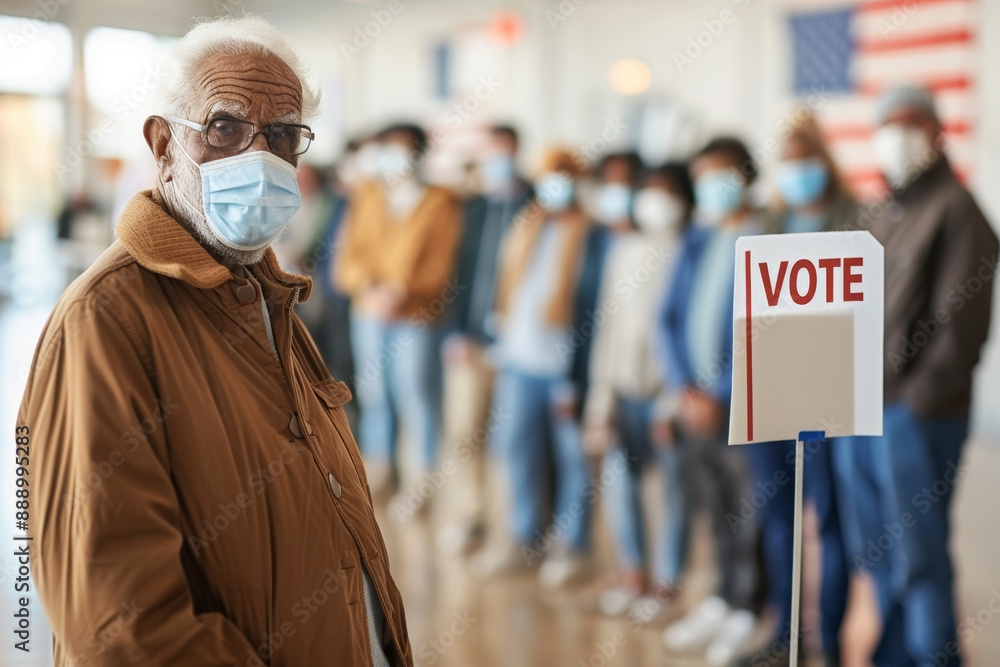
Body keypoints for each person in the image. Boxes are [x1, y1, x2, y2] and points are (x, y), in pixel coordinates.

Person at [17, 17, 410, 665]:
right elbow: (122, 627)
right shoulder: (107, 319)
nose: (257, 157)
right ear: (163, 144)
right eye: (225, 128)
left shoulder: (270, 295)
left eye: (282, 134)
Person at [832, 85, 997, 667]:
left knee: (919, 554)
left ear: (936, 133)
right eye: (888, 124)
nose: (897, 136)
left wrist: (914, 405)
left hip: (915, 416)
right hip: (860, 409)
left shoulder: (958, 210)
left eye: (911, 123)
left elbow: (960, 329)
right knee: (874, 552)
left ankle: (936, 656)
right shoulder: (879, 213)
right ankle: (894, 653)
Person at [738, 112, 856, 667]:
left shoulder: (856, 222)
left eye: (806, 160)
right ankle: (786, 631)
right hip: (772, 392)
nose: (798, 173)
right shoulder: (767, 226)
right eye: (788, 163)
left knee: (830, 521)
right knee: (778, 517)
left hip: (834, 397)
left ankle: (829, 636)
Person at [657, 137, 764, 666]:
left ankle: (748, 609)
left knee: (749, 514)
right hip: (694, 404)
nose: (711, 187)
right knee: (715, 509)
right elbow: (669, 317)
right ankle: (721, 599)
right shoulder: (699, 237)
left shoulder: (766, 235)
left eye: (721, 175)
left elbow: (763, 329)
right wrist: (684, 387)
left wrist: (720, 392)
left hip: (742, 406)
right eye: (703, 177)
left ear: (745, 175)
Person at [471, 147, 594, 589]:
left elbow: (590, 306)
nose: (554, 187)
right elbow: (506, 286)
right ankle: (524, 537)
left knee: (572, 459)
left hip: (563, 363)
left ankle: (571, 545)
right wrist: (499, 347)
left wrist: (576, 377)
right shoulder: (528, 223)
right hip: (520, 358)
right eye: (549, 177)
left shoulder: (589, 232)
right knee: (517, 450)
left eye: (564, 177)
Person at [583, 163, 694, 618]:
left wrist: (674, 401)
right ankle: (633, 574)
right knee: (619, 485)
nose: (656, 201)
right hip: (623, 392)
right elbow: (606, 330)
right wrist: (600, 401)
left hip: (667, 397)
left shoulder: (691, 249)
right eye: (650, 191)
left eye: (668, 191)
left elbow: (688, 333)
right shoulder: (623, 251)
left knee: (673, 493)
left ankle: (668, 586)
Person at [334, 122, 461, 506]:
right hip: (369, 312)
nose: (396, 157)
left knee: (417, 396)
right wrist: (371, 288)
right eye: (389, 148)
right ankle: (381, 475)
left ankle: (422, 483)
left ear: (420, 155)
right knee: (375, 396)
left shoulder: (441, 202)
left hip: (415, 316)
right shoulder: (368, 195)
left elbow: (442, 264)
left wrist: (402, 291)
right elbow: (347, 259)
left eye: (404, 149)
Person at [437, 125, 533, 554]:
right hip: (470, 340)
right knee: (464, 431)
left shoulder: (535, 208)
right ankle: (470, 516)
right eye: (489, 153)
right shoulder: (471, 210)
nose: (496, 160)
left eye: (503, 152)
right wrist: (456, 331)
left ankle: (511, 526)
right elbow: (456, 273)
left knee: (510, 439)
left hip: (516, 347)